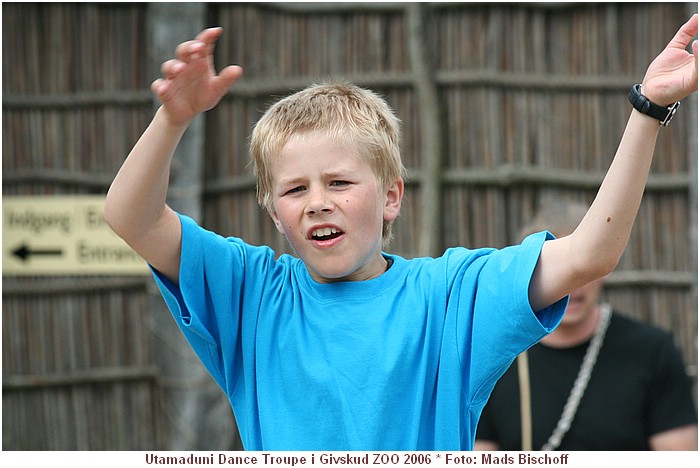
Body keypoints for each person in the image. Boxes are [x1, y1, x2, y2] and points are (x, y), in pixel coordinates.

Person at [103, 16, 698, 450]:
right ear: (272, 211)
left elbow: (591, 252)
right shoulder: (250, 295)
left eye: (339, 182)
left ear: (391, 196)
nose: (316, 204)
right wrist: (172, 118)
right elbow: (130, 217)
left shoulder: (450, 296)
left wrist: (647, 109)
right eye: (293, 190)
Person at [474, 201, 698, 451]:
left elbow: (680, 456)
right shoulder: (498, 358)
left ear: (606, 266)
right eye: (556, 271)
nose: (571, 285)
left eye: (585, 268)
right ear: (526, 273)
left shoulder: (653, 350)